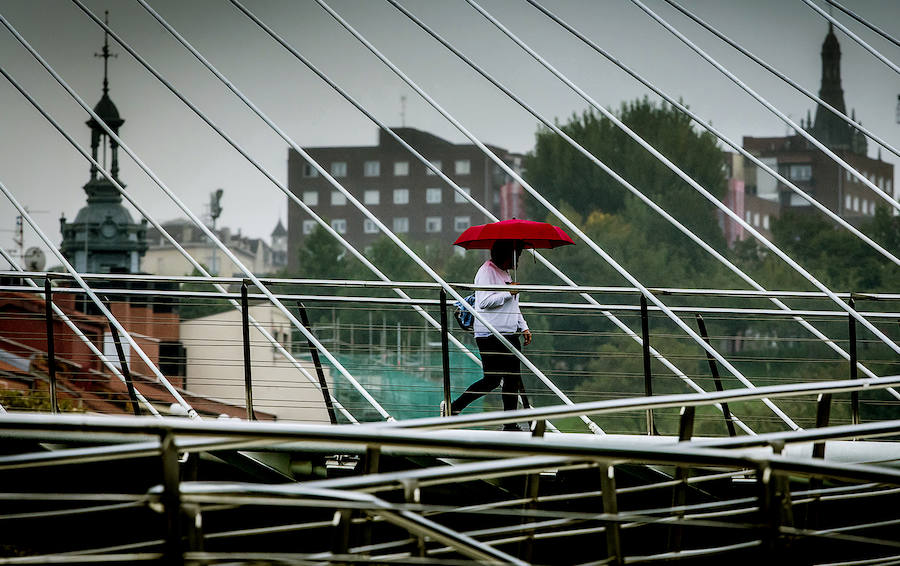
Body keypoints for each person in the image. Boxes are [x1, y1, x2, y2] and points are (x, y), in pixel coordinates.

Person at [443, 240, 532, 431]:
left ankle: (510, 424)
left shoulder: (506, 273)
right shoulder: (486, 271)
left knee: (512, 380)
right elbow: (483, 302)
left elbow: (513, 305)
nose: (519, 260)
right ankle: (455, 407)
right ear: (507, 254)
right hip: (489, 334)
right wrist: (509, 291)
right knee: (492, 380)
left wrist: (523, 326)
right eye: (517, 255)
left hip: (509, 334)